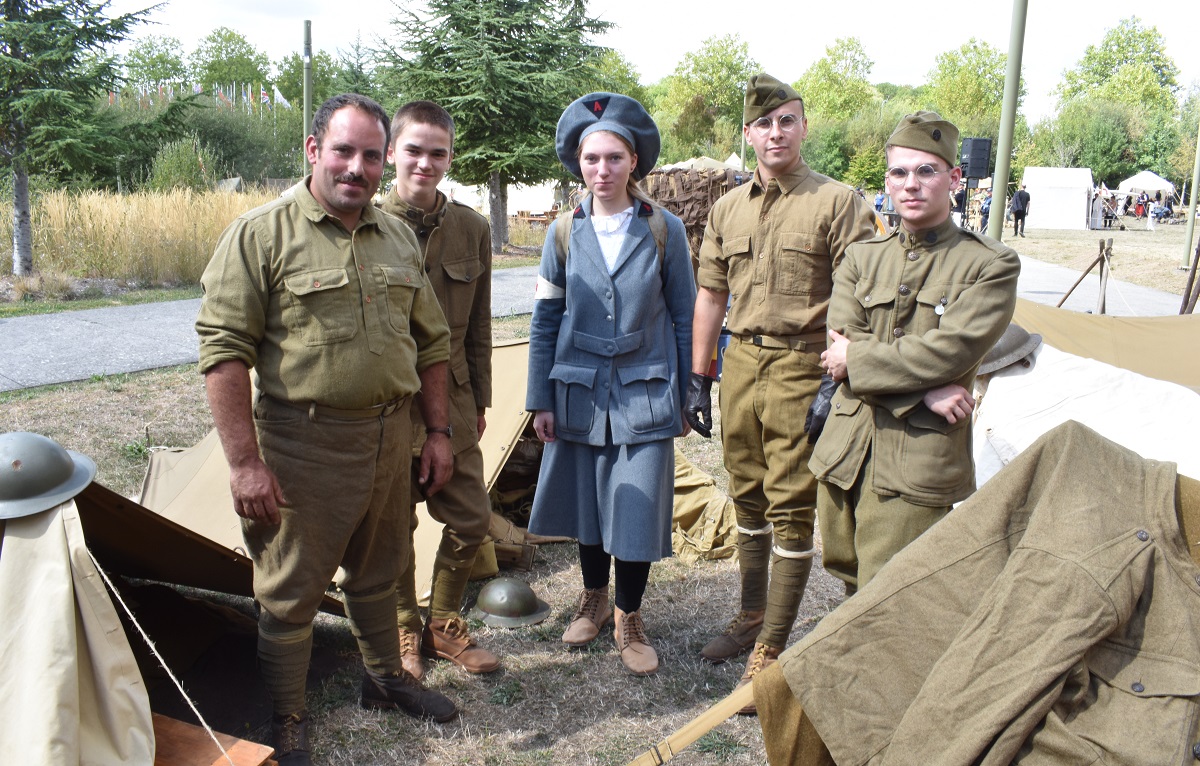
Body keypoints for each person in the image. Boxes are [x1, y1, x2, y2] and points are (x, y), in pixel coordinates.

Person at [196, 93, 458, 765]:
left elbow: (431, 343)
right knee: (289, 593)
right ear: (313, 151)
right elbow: (224, 352)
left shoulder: (396, 234)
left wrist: (436, 434)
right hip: (300, 447)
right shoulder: (260, 235)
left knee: (381, 570)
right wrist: (245, 464)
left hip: (388, 440)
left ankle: (384, 680)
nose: (358, 167)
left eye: (372, 155)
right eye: (343, 151)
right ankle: (286, 717)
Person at [684, 73, 878, 713]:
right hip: (741, 364)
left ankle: (770, 643)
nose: (775, 132)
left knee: (792, 501)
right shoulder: (727, 208)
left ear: (802, 126)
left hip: (803, 366)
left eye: (786, 120)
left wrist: (835, 376)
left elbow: (857, 294)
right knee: (744, 488)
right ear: (749, 133)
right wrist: (698, 374)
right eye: (764, 124)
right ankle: (749, 613)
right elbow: (711, 293)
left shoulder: (837, 201)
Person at [808, 111, 1020, 595]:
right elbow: (837, 344)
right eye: (899, 172)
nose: (911, 184)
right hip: (846, 450)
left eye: (926, 171)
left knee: (892, 595)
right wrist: (922, 394)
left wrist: (862, 362)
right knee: (849, 581)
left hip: (918, 462)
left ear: (954, 177)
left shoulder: (990, 264)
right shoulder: (863, 256)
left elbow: (950, 351)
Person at [526, 93, 695, 677]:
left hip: (646, 391)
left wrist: (687, 391)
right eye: (591, 159)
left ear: (634, 163)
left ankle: (629, 615)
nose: (602, 170)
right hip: (578, 390)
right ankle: (592, 599)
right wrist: (539, 399)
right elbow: (546, 319)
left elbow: (683, 314)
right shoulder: (562, 234)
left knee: (638, 506)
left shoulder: (665, 231)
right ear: (579, 164)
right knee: (589, 506)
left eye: (614, 158)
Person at [378, 101, 500, 677]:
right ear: (390, 154)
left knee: (472, 516)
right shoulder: (368, 223)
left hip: (451, 395)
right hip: (390, 398)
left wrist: (479, 400)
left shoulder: (471, 228)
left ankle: (444, 622)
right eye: (413, 150)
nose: (425, 163)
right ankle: (406, 629)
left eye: (438, 152)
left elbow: (479, 323)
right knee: (395, 521)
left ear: (451, 157)